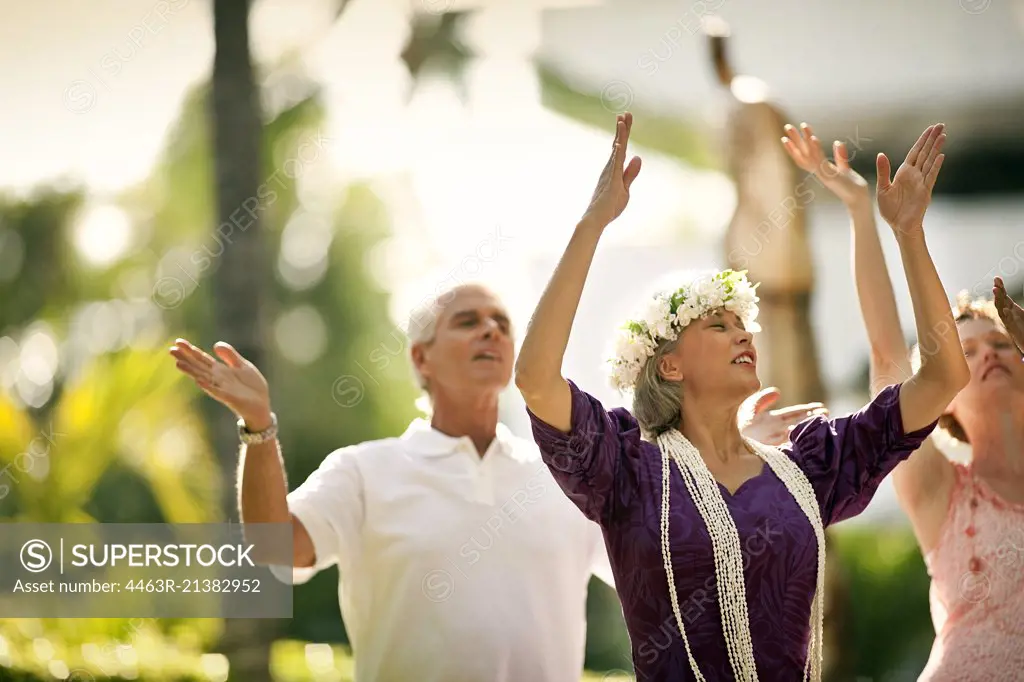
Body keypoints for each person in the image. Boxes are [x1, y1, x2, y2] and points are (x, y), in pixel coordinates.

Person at [514, 112, 968, 681]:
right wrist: (592, 224)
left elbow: (944, 377)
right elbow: (534, 377)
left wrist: (907, 233)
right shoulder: (625, 467)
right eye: (718, 326)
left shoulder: (809, 468)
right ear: (669, 363)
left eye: (743, 324)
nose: (744, 335)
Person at [169, 281, 809, 682]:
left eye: (502, 321)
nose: (492, 331)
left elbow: (680, 554)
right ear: (421, 357)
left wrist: (736, 453)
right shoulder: (365, 470)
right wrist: (260, 427)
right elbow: (274, 551)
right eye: (468, 320)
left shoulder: (574, 479)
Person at [783, 121, 1024, 681]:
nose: (987, 354)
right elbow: (888, 352)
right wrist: (870, 216)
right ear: (944, 402)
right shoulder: (939, 487)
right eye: (965, 351)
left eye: (999, 341)